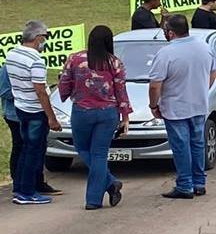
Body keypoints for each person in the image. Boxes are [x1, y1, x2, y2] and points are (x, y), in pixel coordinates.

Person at [58, 25, 130, 210]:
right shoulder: (114, 62)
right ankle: (94, 199)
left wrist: (65, 94)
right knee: (99, 154)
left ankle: (111, 183)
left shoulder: (75, 59)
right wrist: (125, 117)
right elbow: (121, 90)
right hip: (108, 113)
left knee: (82, 148)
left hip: (82, 111)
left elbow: (64, 83)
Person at [148, 15, 216, 199]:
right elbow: (213, 72)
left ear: (171, 32)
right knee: (197, 144)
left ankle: (185, 185)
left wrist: (153, 105)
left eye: (165, 30)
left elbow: (155, 85)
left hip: (175, 108)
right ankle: (199, 182)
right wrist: (203, 89)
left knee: (181, 147)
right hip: (199, 104)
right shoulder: (205, 47)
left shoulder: (166, 53)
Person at [6, 21, 62, 205]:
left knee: (25, 149)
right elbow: (40, 91)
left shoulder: (12, 54)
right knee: (34, 152)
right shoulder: (36, 60)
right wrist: (51, 117)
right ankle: (27, 193)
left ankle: (20, 187)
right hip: (35, 111)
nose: (44, 42)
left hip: (21, 107)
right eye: (44, 38)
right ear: (38, 38)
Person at [2, 62, 59, 198]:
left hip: (36, 113)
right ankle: (19, 183)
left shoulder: (34, 65)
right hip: (15, 115)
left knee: (38, 148)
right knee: (21, 148)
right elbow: (4, 91)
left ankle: (37, 182)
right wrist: (28, 94)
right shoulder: (8, 67)